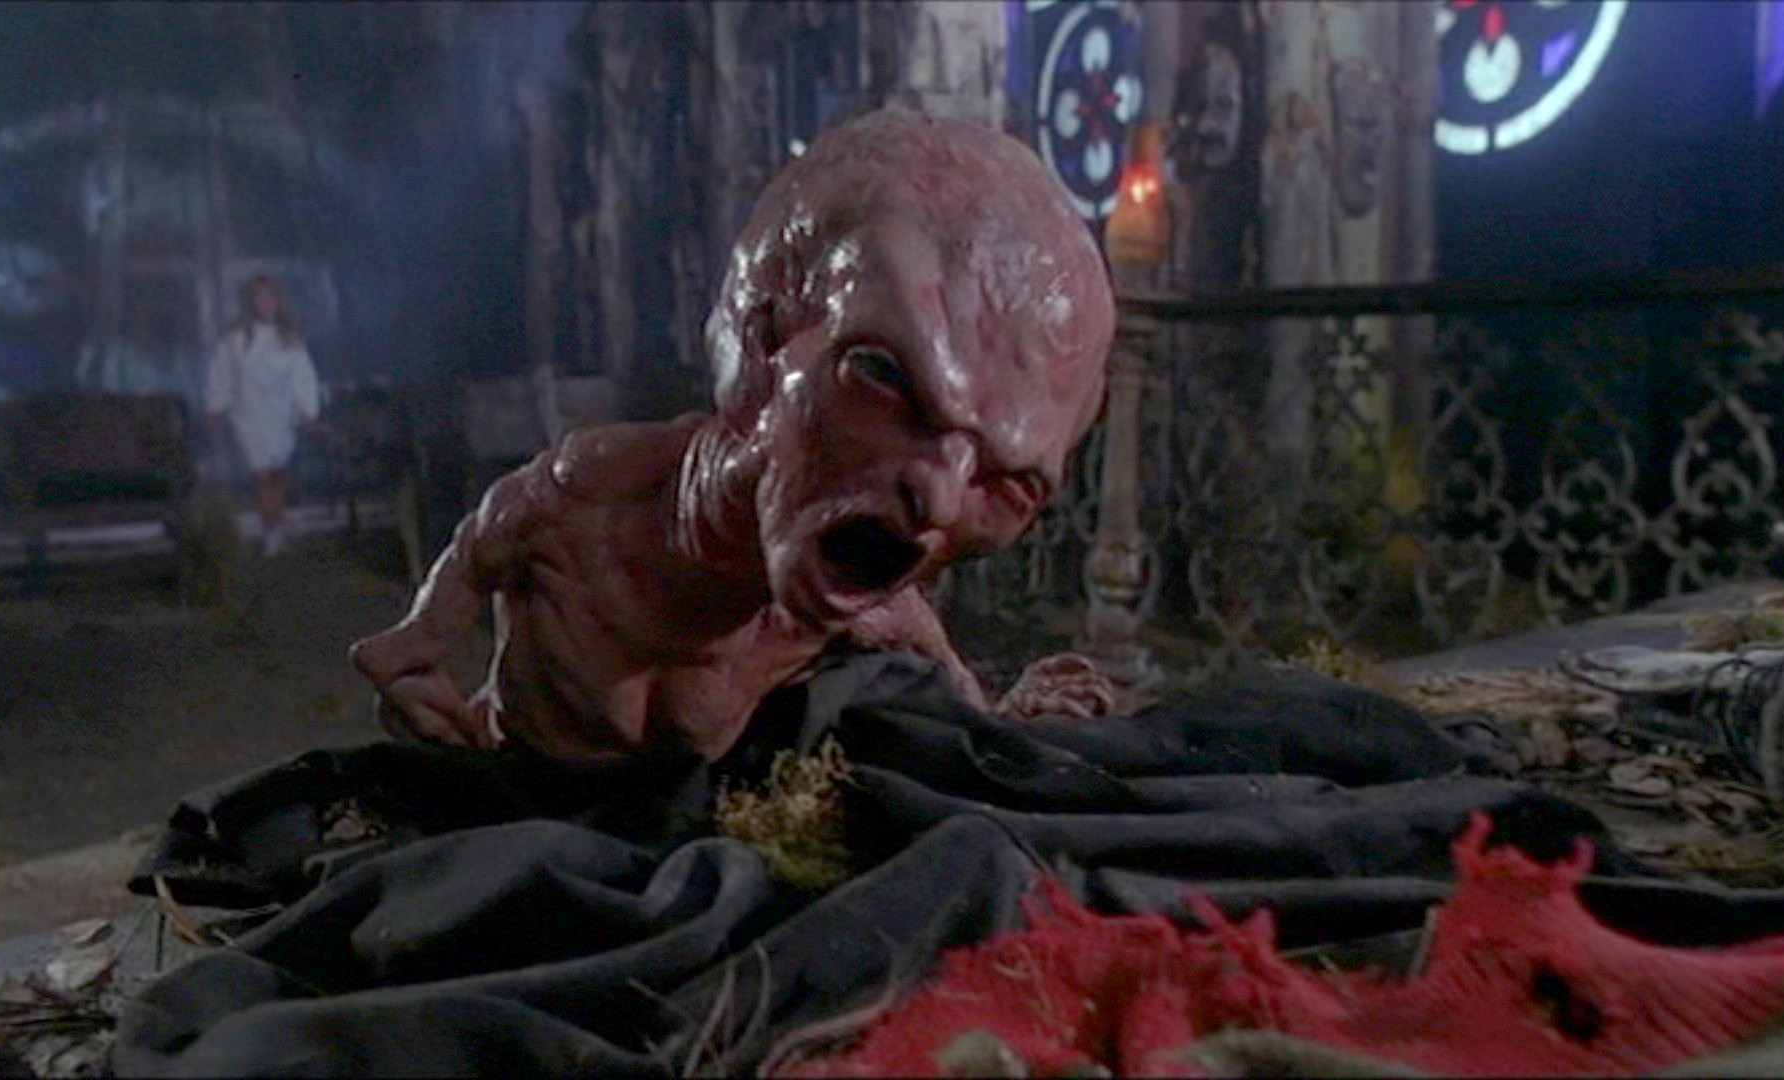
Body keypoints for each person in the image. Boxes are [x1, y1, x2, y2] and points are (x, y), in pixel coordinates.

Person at [349, 108, 1122, 763]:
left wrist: (1005, 717)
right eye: (884, 379)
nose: (941, 498)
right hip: (516, 786)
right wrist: (416, 672)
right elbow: (429, 616)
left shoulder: (861, 606)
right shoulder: (592, 495)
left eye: (1005, 483)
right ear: (765, 338)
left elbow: (956, 693)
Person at [203, 274, 324, 557]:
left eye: (268, 297)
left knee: (277, 476)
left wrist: (309, 412)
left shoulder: (288, 340)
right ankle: (270, 533)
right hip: (249, 415)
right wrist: (215, 408)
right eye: (258, 297)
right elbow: (222, 374)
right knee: (261, 476)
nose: (263, 303)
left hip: (280, 415)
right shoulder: (235, 340)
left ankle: (277, 530)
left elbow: (302, 378)